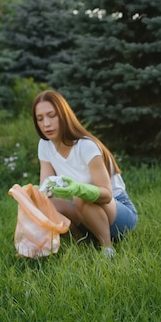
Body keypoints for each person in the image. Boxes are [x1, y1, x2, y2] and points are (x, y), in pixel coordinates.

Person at [32, 90, 138, 257]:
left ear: (63, 115)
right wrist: (32, 193)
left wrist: (78, 189)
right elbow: (47, 190)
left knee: (80, 195)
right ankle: (82, 244)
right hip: (88, 212)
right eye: (40, 119)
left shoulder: (86, 146)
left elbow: (107, 195)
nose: (46, 124)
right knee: (44, 203)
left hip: (119, 212)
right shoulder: (45, 145)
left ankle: (107, 249)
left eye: (51, 115)